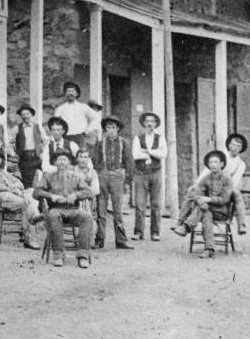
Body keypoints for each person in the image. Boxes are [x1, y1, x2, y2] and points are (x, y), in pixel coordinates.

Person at [174, 133, 249, 233]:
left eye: (239, 146)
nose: (235, 148)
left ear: (241, 148)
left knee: (237, 194)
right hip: (210, 184)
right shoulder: (220, 156)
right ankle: (180, 221)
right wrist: (198, 184)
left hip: (225, 188)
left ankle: (242, 225)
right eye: (234, 144)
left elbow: (234, 182)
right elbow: (206, 171)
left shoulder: (240, 164)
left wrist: (222, 190)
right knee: (192, 190)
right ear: (229, 145)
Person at [33, 148, 95, 269]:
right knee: (52, 215)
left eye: (64, 160)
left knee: (87, 217)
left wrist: (76, 195)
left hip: (73, 210)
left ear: (69, 162)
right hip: (56, 209)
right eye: (59, 160)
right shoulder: (49, 176)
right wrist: (52, 196)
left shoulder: (76, 177)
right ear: (55, 162)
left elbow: (89, 192)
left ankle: (83, 256)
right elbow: (36, 192)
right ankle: (58, 255)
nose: (62, 162)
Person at [171, 150, 234, 258]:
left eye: (216, 162)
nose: (213, 165)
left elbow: (225, 199)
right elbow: (196, 194)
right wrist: (200, 200)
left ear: (221, 164)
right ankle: (209, 249)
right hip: (207, 209)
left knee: (203, 209)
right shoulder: (205, 178)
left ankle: (186, 226)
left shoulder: (227, 179)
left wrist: (208, 199)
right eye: (211, 163)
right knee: (205, 213)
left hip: (221, 211)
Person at [0, 148, 42, 250]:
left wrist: (15, 188)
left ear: (0, 160)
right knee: (27, 203)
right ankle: (32, 232)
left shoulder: (4, 172)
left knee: (30, 193)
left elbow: (20, 183)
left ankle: (32, 220)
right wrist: (10, 188)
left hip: (12, 196)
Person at [92, 117, 135, 250]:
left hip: (117, 177)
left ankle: (121, 240)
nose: (111, 130)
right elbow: (95, 160)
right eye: (108, 127)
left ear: (118, 129)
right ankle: (99, 240)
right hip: (103, 177)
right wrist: (99, 172)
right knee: (101, 210)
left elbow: (129, 162)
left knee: (118, 210)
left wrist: (127, 179)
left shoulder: (124, 143)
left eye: (113, 127)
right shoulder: (100, 144)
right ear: (105, 129)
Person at [132, 112, 167, 241]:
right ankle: (138, 232)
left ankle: (155, 232)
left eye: (152, 121)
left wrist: (148, 151)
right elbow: (135, 155)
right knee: (140, 204)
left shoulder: (160, 137)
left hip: (156, 172)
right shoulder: (138, 137)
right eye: (147, 121)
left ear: (156, 124)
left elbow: (164, 154)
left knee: (156, 203)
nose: (150, 124)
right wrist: (150, 154)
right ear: (143, 124)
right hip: (141, 173)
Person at [53, 82, 98, 151]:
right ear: (65, 93)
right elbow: (55, 122)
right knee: (67, 156)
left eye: (73, 91)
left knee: (81, 156)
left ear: (77, 94)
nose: (70, 93)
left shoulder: (83, 107)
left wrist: (88, 130)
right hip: (66, 137)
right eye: (68, 91)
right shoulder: (61, 108)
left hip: (80, 137)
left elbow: (95, 118)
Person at [10, 103, 44, 188]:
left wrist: (43, 153)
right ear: (21, 116)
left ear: (31, 114)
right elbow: (9, 142)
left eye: (27, 114)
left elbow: (46, 141)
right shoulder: (17, 128)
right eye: (23, 114)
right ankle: (30, 199)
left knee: (47, 175)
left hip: (38, 157)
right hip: (25, 158)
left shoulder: (38, 127)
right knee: (27, 183)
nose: (25, 116)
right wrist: (13, 154)